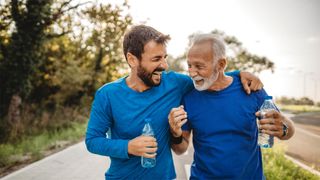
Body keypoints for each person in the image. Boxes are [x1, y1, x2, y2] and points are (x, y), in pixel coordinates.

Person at [85, 25, 263, 179]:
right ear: (132, 60)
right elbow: (92, 141)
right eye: (156, 59)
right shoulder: (107, 94)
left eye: (164, 57)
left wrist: (239, 75)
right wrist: (128, 146)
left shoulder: (175, 84)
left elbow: (210, 77)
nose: (164, 65)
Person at [169, 33, 295, 180]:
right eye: (189, 65)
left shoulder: (251, 89)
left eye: (199, 66)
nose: (191, 72)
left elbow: (287, 130)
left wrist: (284, 128)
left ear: (221, 64)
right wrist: (175, 134)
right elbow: (180, 149)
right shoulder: (188, 98)